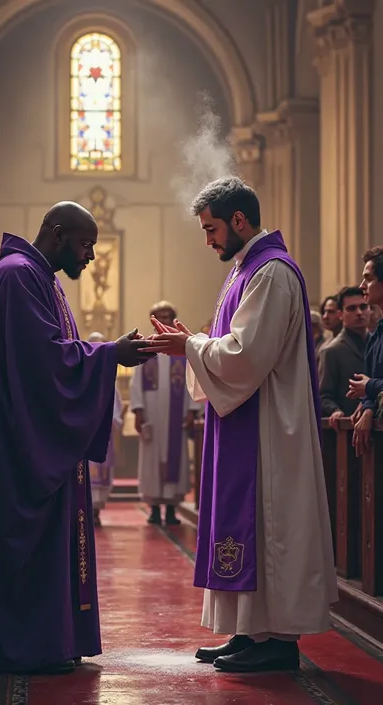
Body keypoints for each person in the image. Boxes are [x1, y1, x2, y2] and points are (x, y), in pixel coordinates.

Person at [0, 202, 155, 675]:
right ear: (58, 234)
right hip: (15, 449)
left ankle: (46, 641)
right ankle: (20, 645)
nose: (90, 257)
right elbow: (43, 364)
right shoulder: (18, 277)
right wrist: (110, 354)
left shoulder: (40, 279)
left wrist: (104, 355)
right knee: (25, 548)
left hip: (30, 441)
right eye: (85, 245)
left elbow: (55, 358)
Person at [148, 177, 337, 673]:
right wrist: (194, 340)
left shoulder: (270, 272)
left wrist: (188, 346)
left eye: (211, 229)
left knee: (268, 526)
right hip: (246, 425)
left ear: (238, 220)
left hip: (270, 430)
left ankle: (278, 641)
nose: (207, 240)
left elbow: (247, 354)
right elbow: (234, 344)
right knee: (247, 525)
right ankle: (250, 632)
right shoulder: (244, 270)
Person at [130, 301, 200, 525]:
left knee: (175, 459)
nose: (164, 321)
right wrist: (138, 411)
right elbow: (136, 382)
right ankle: (154, 509)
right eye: (160, 317)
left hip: (176, 418)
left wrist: (191, 410)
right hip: (152, 416)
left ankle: (171, 508)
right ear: (153, 320)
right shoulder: (145, 347)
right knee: (151, 461)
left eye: (168, 317)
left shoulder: (182, 349)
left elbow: (191, 380)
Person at [347, 247, 383, 457]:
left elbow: (370, 382)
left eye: (368, 279)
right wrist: (368, 408)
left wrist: (368, 386)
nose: (362, 286)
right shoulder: (376, 335)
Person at [319, 286, 370, 429]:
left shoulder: (378, 344)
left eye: (363, 307)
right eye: (351, 309)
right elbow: (323, 395)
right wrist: (335, 410)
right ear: (340, 314)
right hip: (347, 432)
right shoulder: (331, 351)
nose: (359, 313)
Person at [87, 331, 124, 527]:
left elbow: (116, 407)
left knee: (101, 475)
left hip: (103, 433)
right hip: (86, 434)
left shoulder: (110, 379)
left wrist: (114, 421)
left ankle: (96, 510)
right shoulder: (81, 377)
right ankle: (87, 509)